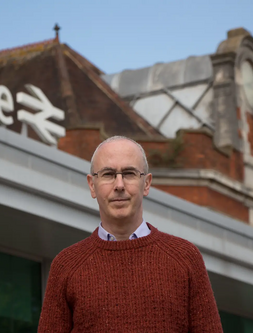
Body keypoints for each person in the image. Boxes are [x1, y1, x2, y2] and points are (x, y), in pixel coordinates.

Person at [38, 136, 223, 332]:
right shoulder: (66, 266)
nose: (119, 185)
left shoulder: (185, 258)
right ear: (92, 185)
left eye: (129, 173)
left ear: (147, 183)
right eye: (108, 174)